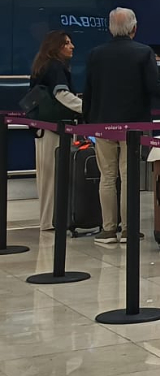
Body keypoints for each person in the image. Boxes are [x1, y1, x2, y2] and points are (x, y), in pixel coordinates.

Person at [83, 8, 160, 245]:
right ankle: (129, 230)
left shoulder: (95, 54)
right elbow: (154, 86)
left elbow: (89, 90)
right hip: (133, 124)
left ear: (110, 28)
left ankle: (108, 229)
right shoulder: (143, 52)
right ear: (134, 28)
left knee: (107, 176)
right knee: (129, 175)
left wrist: (88, 120)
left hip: (102, 123)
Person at [29, 31, 82, 231]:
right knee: (54, 176)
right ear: (56, 46)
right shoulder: (56, 67)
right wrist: (87, 107)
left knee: (46, 177)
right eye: (67, 43)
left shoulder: (42, 66)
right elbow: (62, 95)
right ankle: (52, 221)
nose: (72, 46)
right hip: (54, 129)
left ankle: (48, 220)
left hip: (41, 129)